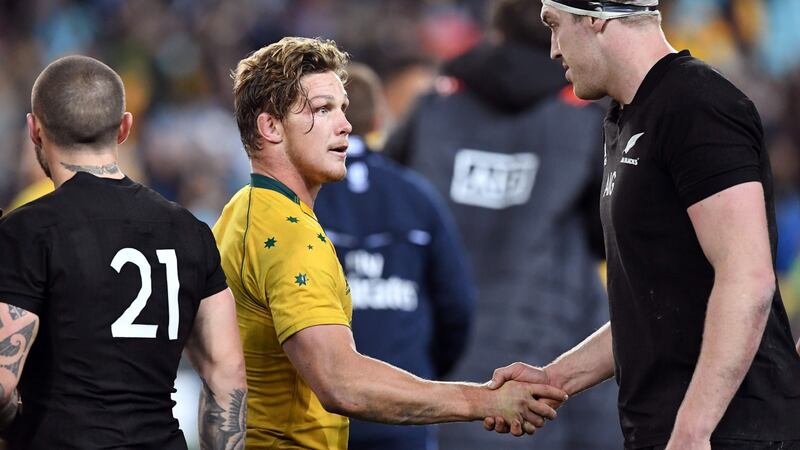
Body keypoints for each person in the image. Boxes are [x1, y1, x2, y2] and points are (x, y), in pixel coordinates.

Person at [212, 36, 567, 450]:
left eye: (343, 109)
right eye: (323, 110)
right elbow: (341, 382)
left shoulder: (239, 212)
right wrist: (483, 399)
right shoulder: (292, 235)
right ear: (270, 127)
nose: (345, 125)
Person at [486, 1, 800, 449]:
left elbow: (747, 278)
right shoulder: (624, 116)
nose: (552, 49)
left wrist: (693, 429)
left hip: (732, 432)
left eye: (554, 25)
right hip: (668, 430)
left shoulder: (697, 103)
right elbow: (654, 303)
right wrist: (554, 377)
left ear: (595, 18)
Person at [383, 0, 621, 448]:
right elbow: (611, 236)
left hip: (438, 382)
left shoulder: (433, 105)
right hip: (546, 378)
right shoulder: (589, 117)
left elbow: (384, 206)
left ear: (498, 28)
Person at [0, 55, 247, 450]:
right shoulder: (190, 231)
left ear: (34, 129)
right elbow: (227, 373)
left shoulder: (25, 231)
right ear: (125, 128)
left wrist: (15, 426)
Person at [314, 62, 476, 450]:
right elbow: (458, 306)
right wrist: (421, 377)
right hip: (403, 413)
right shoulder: (418, 197)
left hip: (317, 418)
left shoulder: (298, 199)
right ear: (379, 121)